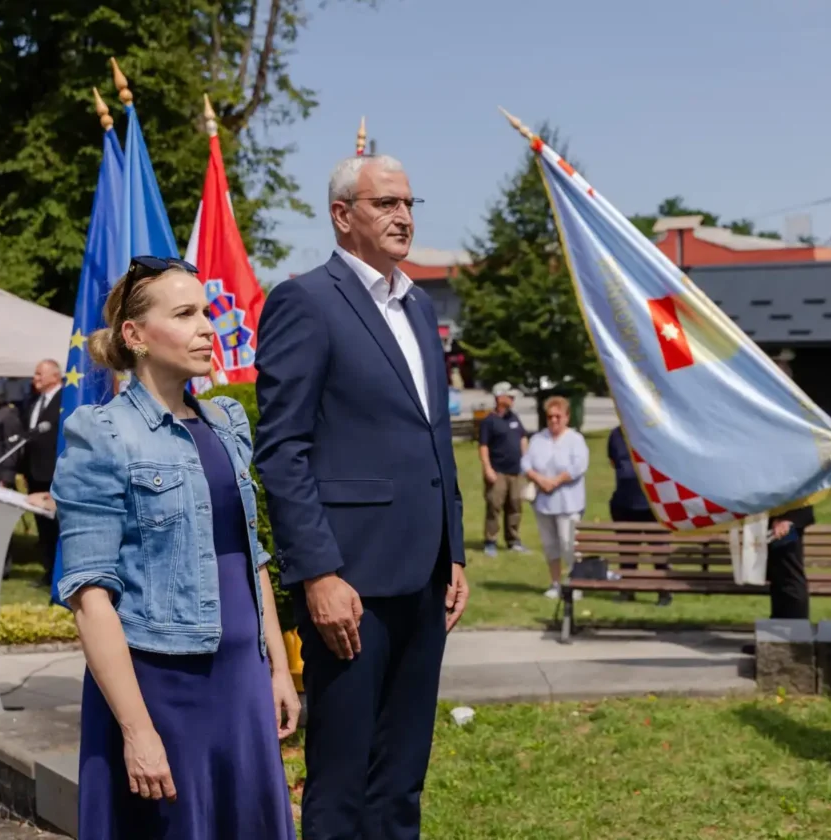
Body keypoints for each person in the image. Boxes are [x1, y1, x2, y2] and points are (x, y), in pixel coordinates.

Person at [254, 154, 468, 840]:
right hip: (350, 581)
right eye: (385, 204)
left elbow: (435, 436)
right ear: (343, 216)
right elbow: (283, 449)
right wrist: (317, 571)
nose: (403, 215)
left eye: (409, 202)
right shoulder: (306, 302)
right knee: (344, 780)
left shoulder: (421, 303)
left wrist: (454, 551)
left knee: (402, 778)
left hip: (424, 576)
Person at [51, 256, 298, 840]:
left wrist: (279, 670)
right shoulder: (102, 433)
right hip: (163, 690)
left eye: (205, 312)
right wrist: (137, 731)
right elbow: (89, 597)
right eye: (185, 314)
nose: (208, 327)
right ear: (135, 335)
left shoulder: (227, 422)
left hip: (242, 680)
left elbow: (250, 555)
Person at [521, 396, 589, 600]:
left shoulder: (575, 440)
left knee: (570, 545)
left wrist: (556, 481)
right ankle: (555, 583)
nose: (554, 420)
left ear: (567, 417)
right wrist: (539, 479)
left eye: (558, 416)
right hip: (543, 503)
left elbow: (579, 466)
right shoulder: (538, 439)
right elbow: (525, 464)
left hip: (568, 502)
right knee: (550, 545)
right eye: (550, 416)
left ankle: (575, 583)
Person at [606, 425, 670, 606]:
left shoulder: (655, 431)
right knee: (627, 550)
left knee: (659, 551)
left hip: (653, 504)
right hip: (624, 502)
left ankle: (664, 591)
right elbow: (613, 461)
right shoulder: (616, 435)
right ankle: (627, 589)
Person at [22, 359, 64, 584]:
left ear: (55, 376)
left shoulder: (65, 399)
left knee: (57, 525)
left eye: (39, 374)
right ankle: (48, 571)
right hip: (35, 473)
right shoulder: (34, 402)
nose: (34, 379)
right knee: (43, 527)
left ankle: (59, 573)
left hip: (55, 473)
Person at [478, 381, 529, 557]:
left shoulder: (514, 418)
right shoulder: (489, 421)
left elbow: (522, 438)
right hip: (497, 471)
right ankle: (490, 541)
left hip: (516, 471)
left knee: (515, 506)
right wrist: (487, 469)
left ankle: (513, 540)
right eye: (510, 395)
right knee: (494, 506)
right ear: (500, 397)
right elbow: (483, 447)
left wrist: (527, 461)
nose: (513, 398)